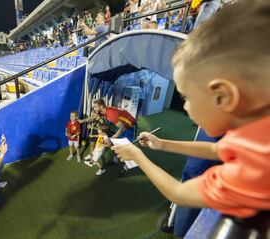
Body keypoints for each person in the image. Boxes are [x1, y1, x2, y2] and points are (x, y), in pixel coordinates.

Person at [112, 0, 270, 219]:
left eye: (186, 97)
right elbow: (218, 150)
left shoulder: (257, 169)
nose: (185, 106)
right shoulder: (256, 131)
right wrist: (163, 144)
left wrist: (137, 155)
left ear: (222, 96)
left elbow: (179, 194)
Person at [93, 99, 137, 176]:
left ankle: (125, 168)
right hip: (123, 126)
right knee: (116, 143)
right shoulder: (104, 111)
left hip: (130, 127)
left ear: (101, 106)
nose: (94, 109)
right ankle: (115, 160)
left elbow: (122, 128)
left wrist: (111, 138)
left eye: (96, 107)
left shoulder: (110, 114)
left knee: (128, 148)